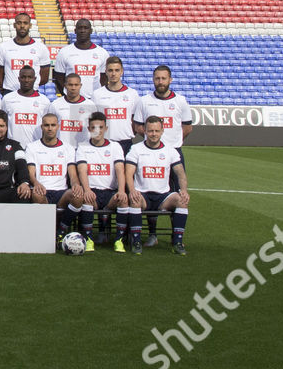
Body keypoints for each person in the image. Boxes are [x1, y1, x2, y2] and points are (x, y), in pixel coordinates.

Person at [124, 116, 190, 255]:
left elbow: (180, 173)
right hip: (143, 195)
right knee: (135, 200)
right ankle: (136, 242)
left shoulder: (170, 150)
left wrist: (183, 190)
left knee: (182, 201)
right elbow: (128, 173)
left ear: (162, 131)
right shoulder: (136, 149)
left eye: (156, 131)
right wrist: (132, 190)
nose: (153, 134)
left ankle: (177, 242)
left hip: (163, 197)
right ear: (145, 131)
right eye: (150, 131)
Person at [74, 113, 126, 252]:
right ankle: (89, 239)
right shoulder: (83, 146)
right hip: (93, 192)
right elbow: (82, 170)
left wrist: (121, 190)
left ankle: (118, 241)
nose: (97, 130)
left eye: (100, 127)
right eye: (93, 127)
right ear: (89, 128)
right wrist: (87, 189)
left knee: (123, 200)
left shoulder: (115, 146)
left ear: (106, 128)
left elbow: (120, 169)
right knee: (86, 200)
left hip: (110, 192)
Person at [25, 113, 80, 243]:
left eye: (53, 125)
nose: (50, 128)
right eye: (46, 125)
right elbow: (31, 173)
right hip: (42, 190)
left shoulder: (68, 148)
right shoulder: (32, 147)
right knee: (36, 194)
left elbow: (72, 174)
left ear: (58, 127)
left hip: (61, 192)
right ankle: (46, 233)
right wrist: (36, 183)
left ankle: (61, 231)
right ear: (41, 127)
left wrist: (76, 184)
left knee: (78, 196)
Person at [137, 65, 196, 154]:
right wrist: (152, 139)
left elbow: (187, 127)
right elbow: (138, 127)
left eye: (164, 78)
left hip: (174, 150)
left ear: (170, 80)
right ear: (153, 80)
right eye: (157, 78)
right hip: (151, 151)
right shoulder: (144, 101)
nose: (160, 82)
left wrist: (175, 140)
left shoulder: (181, 101)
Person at [91, 56, 140, 151]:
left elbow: (135, 120)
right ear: (106, 72)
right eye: (110, 70)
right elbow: (92, 120)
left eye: (117, 70)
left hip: (125, 142)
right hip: (103, 142)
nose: (113, 74)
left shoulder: (132, 94)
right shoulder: (97, 94)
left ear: (122, 71)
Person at [53, 18, 110, 94]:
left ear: (91, 31)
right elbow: (59, 77)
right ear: (75, 31)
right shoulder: (64, 52)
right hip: (72, 100)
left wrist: (96, 94)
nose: (83, 30)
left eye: (86, 28)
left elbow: (104, 78)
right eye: (80, 28)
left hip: (93, 100)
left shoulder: (102, 53)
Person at [0, 12, 51, 89]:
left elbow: (44, 78)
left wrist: (29, 87)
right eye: (19, 23)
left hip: (31, 93)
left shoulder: (41, 48)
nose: (22, 26)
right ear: (14, 25)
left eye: (25, 23)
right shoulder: (3, 47)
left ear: (30, 25)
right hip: (10, 92)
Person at [1, 64, 52, 145]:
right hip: (12, 147)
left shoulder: (44, 101)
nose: (26, 80)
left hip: (35, 147)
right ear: (19, 79)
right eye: (23, 77)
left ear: (35, 79)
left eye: (30, 77)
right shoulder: (7, 99)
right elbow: (2, 124)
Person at [52, 73, 97, 148]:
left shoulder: (90, 105)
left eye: (76, 85)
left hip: (83, 148)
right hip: (62, 149)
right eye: (70, 85)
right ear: (65, 86)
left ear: (80, 86)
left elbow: (95, 129)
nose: (73, 88)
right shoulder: (55, 104)